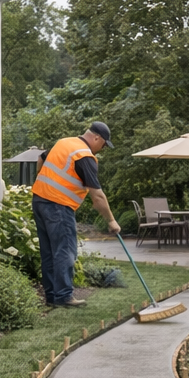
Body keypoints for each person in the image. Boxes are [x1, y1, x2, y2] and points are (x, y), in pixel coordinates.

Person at [31, 121, 122, 308]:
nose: (103, 148)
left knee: (48, 252)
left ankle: (52, 297)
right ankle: (64, 296)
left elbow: (41, 159)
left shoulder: (65, 143)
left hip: (39, 200)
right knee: (65, 251)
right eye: (104, 144)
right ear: (96, 137)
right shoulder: (84, 156)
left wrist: (44, 181)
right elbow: (97, 196)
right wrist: (111, 221)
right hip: (59, 206)